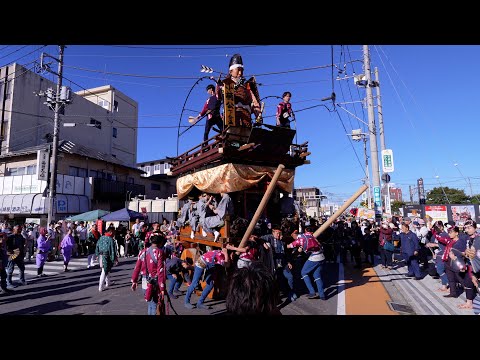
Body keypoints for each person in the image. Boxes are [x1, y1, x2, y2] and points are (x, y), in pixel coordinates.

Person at [221, 53, 262, 128]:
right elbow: (221, 97)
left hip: (246, 120)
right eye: (238, 70)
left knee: (246, 137)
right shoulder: (226, 84)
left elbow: (255, 102)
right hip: (232, 119)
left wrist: (258, 114)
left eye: (242, 71)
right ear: (231, 71)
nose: (240, 73)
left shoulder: (247, 85)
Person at [130, 234, 167, 315]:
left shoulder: (143, 252)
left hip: (144, 280)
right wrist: (162, 287)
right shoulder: (160, 253)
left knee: (150, 304)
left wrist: (134, 281)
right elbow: (161, 271)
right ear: (160, 243)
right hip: (155, 282)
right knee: (154, 305)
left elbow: (137, 267)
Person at [95, 225, 118, 292]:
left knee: (106, 269)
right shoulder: (111, 240)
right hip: (106, 256)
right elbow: (113, 250)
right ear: (111, 232)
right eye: (114, 232)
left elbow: (97, 246)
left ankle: (108, 282)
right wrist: (114, 259)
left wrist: (97, 254)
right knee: (104, 271)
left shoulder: (101, 237)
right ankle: (100, 287)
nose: (114, 234)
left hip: (100, 255)